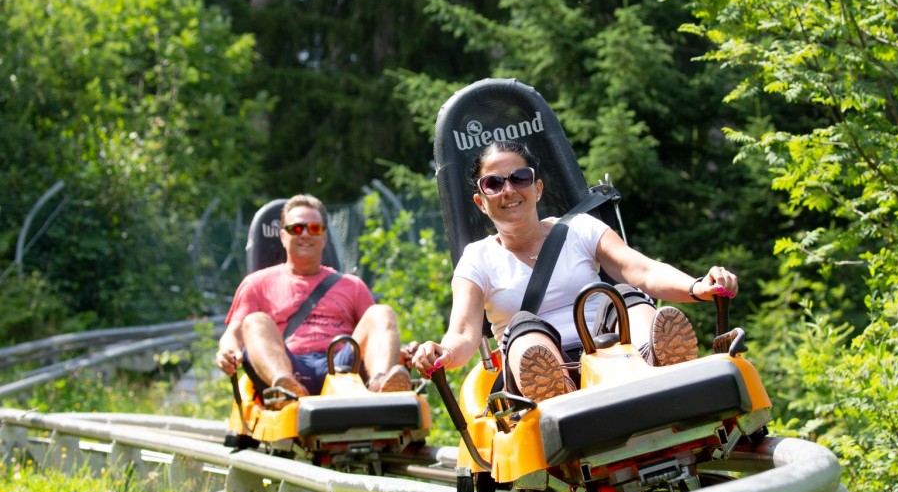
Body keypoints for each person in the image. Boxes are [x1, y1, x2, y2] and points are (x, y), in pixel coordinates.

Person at [411, 140, 738, 402]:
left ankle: (656, 359)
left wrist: (697, 287)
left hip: (612, 346)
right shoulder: (477, 259)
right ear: (481, 201)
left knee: (626, 297)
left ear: (537, 188)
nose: (508, 189)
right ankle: (558, 392)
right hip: (534, 362)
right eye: (493, 183)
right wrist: (444, 353)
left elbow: (641, 270)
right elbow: (465, 332)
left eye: (519, 178)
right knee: (525, 329)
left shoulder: (580, 229)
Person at [215, 194, 413, 399]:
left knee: (381, 312)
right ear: (283, 236)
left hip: (345, 367)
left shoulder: (352, 285)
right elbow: (233, 335)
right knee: (255, 320)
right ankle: (286, 389)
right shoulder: (256, 284)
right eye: (296, 228)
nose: (305, 234)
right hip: (289, 364)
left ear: (324, 237)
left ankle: (381, 384)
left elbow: (378, 336)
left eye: (314, 228)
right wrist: (228, 353)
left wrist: (403, 352)